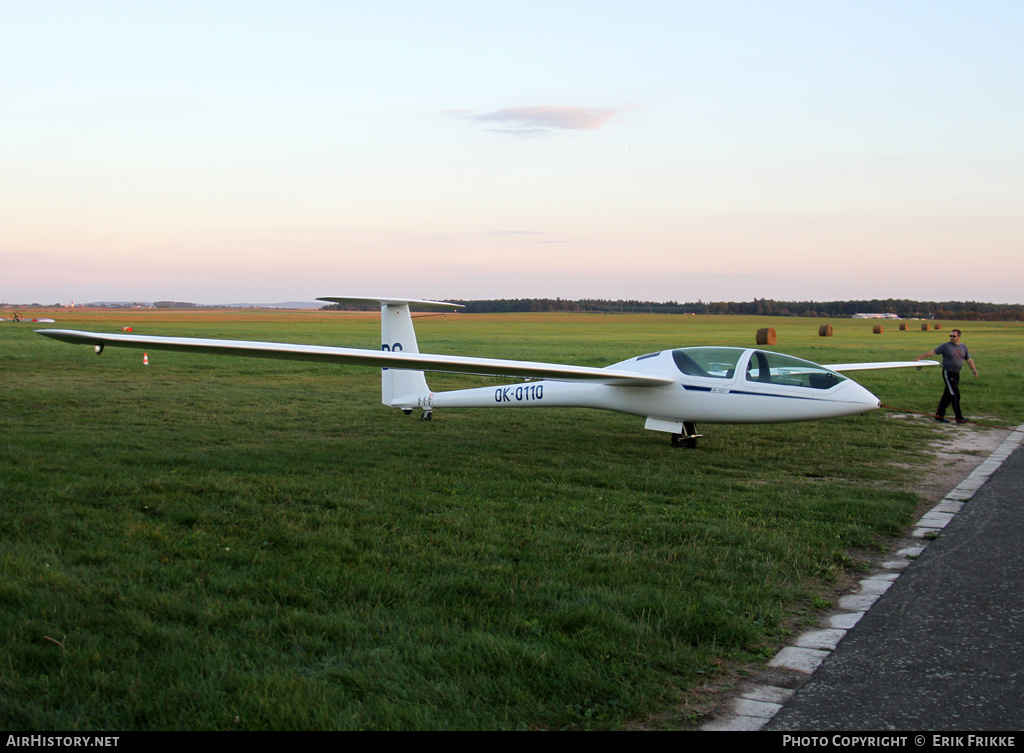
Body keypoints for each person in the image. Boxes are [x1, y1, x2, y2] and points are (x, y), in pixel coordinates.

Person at [915, 329, 979, 423]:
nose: (951, 338)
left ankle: (939, 416)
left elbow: (968, 359)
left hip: (957, 373)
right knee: (955, 395)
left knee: (947, 396)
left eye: (954, 336)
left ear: (959, 337)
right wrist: (919, 358)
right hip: (948, 373)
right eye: (950, 336)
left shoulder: (963, 347)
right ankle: (959, 418)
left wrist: (974, 369)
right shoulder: (946, 346)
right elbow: (933, 352)